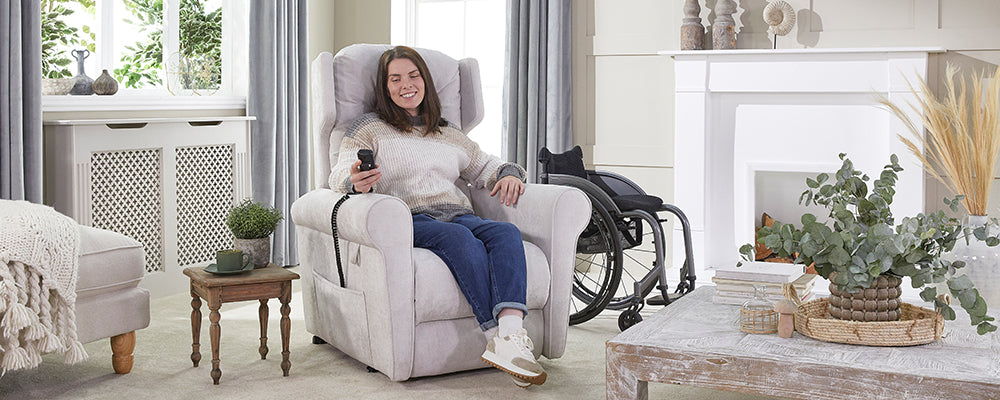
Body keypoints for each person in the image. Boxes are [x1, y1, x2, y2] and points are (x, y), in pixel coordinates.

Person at [328, 46, 545, 387]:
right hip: (408, 217)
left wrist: (510, 173)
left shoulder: (448, 133)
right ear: (385, 88)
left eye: (413, 76)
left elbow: (487, 166)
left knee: (505, 233)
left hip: (457, 213)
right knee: (460, 239)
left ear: (425, 81)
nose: (406, 85)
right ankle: (494, 335)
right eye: (395, 79)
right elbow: (339, 174)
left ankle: (511, 336)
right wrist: (354, 180)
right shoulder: (368, 128)